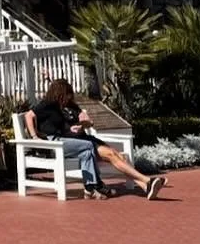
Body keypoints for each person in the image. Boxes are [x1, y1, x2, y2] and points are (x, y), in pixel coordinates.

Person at [28, 78, 164, 200]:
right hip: (64, 143)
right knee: (105, 152)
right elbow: (29, 115)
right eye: (67, 95)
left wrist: (82, 125)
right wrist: (34, 137)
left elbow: (88, 122)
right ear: (59, 93)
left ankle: (93, 188)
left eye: (70, 95)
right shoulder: (48, 105)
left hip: (81, 140)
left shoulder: (71, 106)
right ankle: (145, 181)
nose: (69, 98)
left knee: (110, 155)